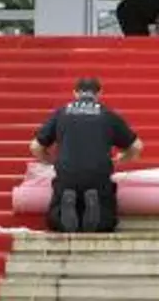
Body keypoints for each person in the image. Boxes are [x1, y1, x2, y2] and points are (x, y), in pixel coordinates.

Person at [29, 77, 144, 233]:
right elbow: (137, 146)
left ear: (75, 93)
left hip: (67, 175)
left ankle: (64, 214)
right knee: (108, 219)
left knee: (54, 218)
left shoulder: (61, 113)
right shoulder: (107, 115)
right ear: (99, 93)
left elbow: (35, 147)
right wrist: (122, 158)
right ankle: (97, 217)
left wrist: (50, 161)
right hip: (98, 175)